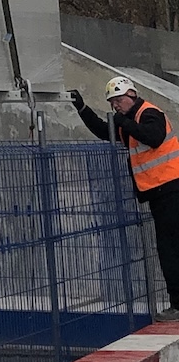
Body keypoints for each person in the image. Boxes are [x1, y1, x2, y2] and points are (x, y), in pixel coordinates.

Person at [72, 77, 179, 322]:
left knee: (171, 250)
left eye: (119, 100)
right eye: (112, 103)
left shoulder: (149, 113)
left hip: (171, 190)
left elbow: (153, 137)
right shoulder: (130, 120)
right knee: (169, 249)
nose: (115, 106)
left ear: (132, 94)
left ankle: (178, 304)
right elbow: (103, 131)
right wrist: (82, 108)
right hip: (159, 193)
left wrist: (122, 121)